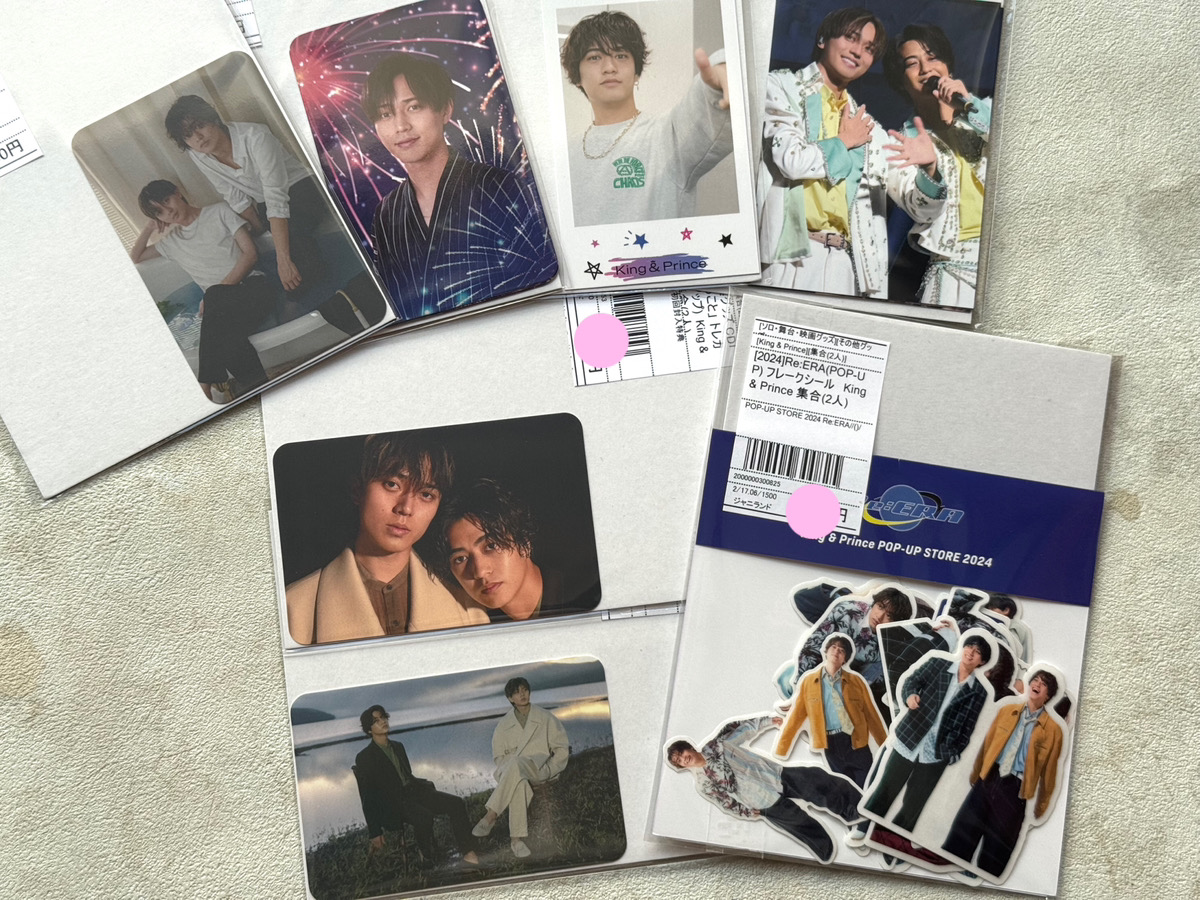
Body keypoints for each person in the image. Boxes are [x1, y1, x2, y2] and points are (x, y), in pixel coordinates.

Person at [757, 7, 946, 297]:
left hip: (844, 269)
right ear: (823, 39)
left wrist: (930, 168)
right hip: (788, 258)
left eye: (869, 48)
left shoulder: (868, 129)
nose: (858, 52)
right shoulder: (781, 87)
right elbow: (790, 160)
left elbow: (922, 209)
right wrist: (843, 141)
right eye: (851, 38)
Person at [361, 53, 557, 320]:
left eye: (414, 107)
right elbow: (397, 304)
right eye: (385, 114)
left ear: (445, 110)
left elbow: (540, 282)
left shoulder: (499, 188)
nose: (400, 126)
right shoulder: (386, 213)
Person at [285, 434, 488, 644]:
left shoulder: (468, 610)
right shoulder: (294, 609)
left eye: (426, 495)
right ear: (357, 489)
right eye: (392, 484)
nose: (406, 508)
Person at [559, 10, 733, 226]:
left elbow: (706, 105)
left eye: (621, 56)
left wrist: (722, 72)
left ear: (636, 73)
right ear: (577, 77)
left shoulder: (667, 136)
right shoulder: (563, 157)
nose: (609, 68)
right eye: (594, 57)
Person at [165, 95, 324, 297]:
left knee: (293, 237)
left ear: (213, 119)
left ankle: (305, 287)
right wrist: (255, 230)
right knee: (264, 237)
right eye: (188, 135)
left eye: (200, 125)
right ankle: (298, 286)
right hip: (266, 203)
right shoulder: (198, 154)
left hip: (303, 188)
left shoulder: (256, 136)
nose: (198, 137)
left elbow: (276, 197)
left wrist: (282, 259)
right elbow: (234, 196)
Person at [882, 24, 992, 309]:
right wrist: (930, 168)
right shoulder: (900, 143)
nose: (925, 68)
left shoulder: (988, 111)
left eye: (932, 57)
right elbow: (922, 211)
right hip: (953, 270)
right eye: (912, 63)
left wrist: (969, 106)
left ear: (947, 66)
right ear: (901, 81)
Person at [131, 179, 271, 402]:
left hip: (253, 290)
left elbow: (251, 254)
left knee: (215, 301)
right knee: (229, 342)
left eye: (167, 201)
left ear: (178, 193)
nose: (168, 211)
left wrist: (216, 294)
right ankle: (261, 391)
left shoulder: (219, 212)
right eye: (159, 212)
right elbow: (135, 257)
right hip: (220, 309)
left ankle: (206, 382)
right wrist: (149, 227)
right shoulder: (172, 242)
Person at [667, 716, 863, 863]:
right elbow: (724, 801)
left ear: (689, 747)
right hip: (762, 801)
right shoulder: (703, 784)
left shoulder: (718, 745)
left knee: (816, 780)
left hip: (776, 774)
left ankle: (854, 810)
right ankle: (829, 854)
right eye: (679, 761)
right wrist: (747, 812)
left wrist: (768, 721)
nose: (683, 759)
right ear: (681, 766)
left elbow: (743, 729)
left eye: (681, 753)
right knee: (801, 824)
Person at [862, 634, 992, 833]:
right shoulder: (938, 664)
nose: (971, 653)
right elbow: (911, 682)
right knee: (886, 788)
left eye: (977, 652)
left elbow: (968, 726)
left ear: (981, 662)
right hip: (910, 737)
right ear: (963, 647)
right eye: (969, 647)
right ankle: (863, 829)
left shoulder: (979, 691)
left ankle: (892, 841)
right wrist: (910, 696)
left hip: (937, 752)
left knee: (914, 804)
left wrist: (953, 752)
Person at [941, 670, 1064, 879]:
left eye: (1043, 684)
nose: (1037, 684)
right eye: (1035, 680)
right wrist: (977, 776)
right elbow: (987, 744)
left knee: (995, 853)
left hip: (1015, 790)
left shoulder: (1053, 731)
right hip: (988, 778)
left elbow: (1050, 774)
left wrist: (1041, 808)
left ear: (1048, 695)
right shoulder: (1007, 711)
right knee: (961, 838)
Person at [353, 705, 480, 866]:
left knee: (456, 803)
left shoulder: (398, 746)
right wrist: (374, 832)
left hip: (414, 792)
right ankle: (426, 856)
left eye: (383, 717)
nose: (383, 721)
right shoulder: (365, 757)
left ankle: (468, 852)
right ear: (369, 729)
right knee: (424, 816)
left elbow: (407, 775)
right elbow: (367, 797)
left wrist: (425, 785)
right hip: (393, 803)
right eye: (376, 721)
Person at [471, 678, 569, 859]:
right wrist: (508, 767)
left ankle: (491, 815)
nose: (522, 694)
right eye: (517, 692)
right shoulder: (503, 725)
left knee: (516, 765)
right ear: (510, 698)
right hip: (513, 772)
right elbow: (498, 757)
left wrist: (550, 769)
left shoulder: (545, 717)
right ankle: (516, 840)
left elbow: (562, 749)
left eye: (525, 690)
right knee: (519, 781)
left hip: (538, 769)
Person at [779, 586, 915, 712]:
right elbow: (813, 647)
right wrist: (801, 690)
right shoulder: (847, 611)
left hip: (848, 683)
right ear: (874, 603)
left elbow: (871, 682)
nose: (879, 616)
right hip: (819, 666)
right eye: (880, 606)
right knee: (786, 681)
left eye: (889, 616)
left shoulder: (892, 643)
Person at [774, 634, 886, 787]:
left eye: (841, 650)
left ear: (845, 659)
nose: (837, 651)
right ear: (825, 652)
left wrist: (886, 746)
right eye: (833, 647)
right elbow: (795, 719)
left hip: (856, 741)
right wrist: (780, 751)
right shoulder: (809, 682)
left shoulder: (856, 682)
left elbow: (872, 715)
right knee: (845, 788)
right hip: (830, 744)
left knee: (867, 784)